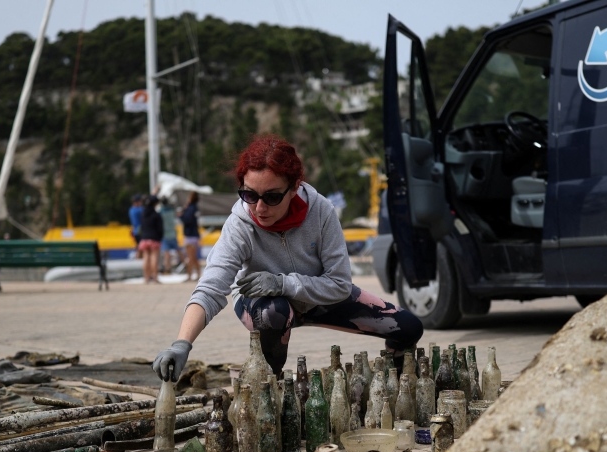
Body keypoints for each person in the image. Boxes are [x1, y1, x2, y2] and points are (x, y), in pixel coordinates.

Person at [152, 134, 424, 383]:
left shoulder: (321, 212)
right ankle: (270, 386)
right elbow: (210, 289)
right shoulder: (240, 224)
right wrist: (181, 344)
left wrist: (283, 283)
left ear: (294, 188)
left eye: (271, 197)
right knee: (275, 313)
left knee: (409, 328)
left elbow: (340, 284)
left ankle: (392, 384)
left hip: (318, 297)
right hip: (264, 304)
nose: (258, 208)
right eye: (249, 195)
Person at [139, 195, 164, 284]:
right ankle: (155, 278)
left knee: (146, 258)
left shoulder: (143, 214)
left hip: (144, 238)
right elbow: (160, 229)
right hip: (154, 238)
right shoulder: (156, 215)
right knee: (154, 258)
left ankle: (146, 278)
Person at [180, 191, 202, 281]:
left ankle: (189, 276)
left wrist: (182, 214)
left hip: (189, 235)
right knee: (194, 257)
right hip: (195, 234)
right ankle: (198, 274)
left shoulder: (190, 208)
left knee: (190, 257)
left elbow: (187, 220)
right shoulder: (195, 208)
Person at [159, 196, 184, 274]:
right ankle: (186, 263)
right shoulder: (171, 210)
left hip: (165, 234)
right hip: (173, 233)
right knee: (178, 250)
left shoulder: (161, 212)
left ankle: (168, 268)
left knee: (166, 252)